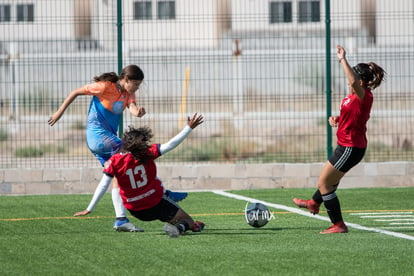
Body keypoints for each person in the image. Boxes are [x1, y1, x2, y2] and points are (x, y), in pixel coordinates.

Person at [48, 65, 188, 232]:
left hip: (102, 142)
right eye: (135, 84)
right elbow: (75, 92)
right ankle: (163, 192)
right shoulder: (104, 86)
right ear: (126, 79)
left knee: (118, 175)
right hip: (99, 137)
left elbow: (133, 109)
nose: (137, 87)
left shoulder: (128, 92)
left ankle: (120, 220)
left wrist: (139, 112)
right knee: (136, 153)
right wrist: (59, 112)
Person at [293, 45, 386, 234]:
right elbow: (353, 116)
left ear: (360, 81)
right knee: (331, 182)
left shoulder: (363, 94)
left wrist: (343, 59)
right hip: (346, 146)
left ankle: (338, 224)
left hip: (351, 147)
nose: (348, 79)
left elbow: (353, 82)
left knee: (324, 184)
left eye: (352, 76)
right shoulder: (352, 96)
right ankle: (313, 202)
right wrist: (338, 119)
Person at [74, 113, 205, 238]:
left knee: (177, 217)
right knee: (187, 220)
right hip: (156, 203)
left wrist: (89, 209)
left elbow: (103, 185)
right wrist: (189, 128)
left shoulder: (114, 161)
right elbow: (171, 144)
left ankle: (180, 222)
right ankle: (181, 227)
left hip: (136, 210)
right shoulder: (148, 153)